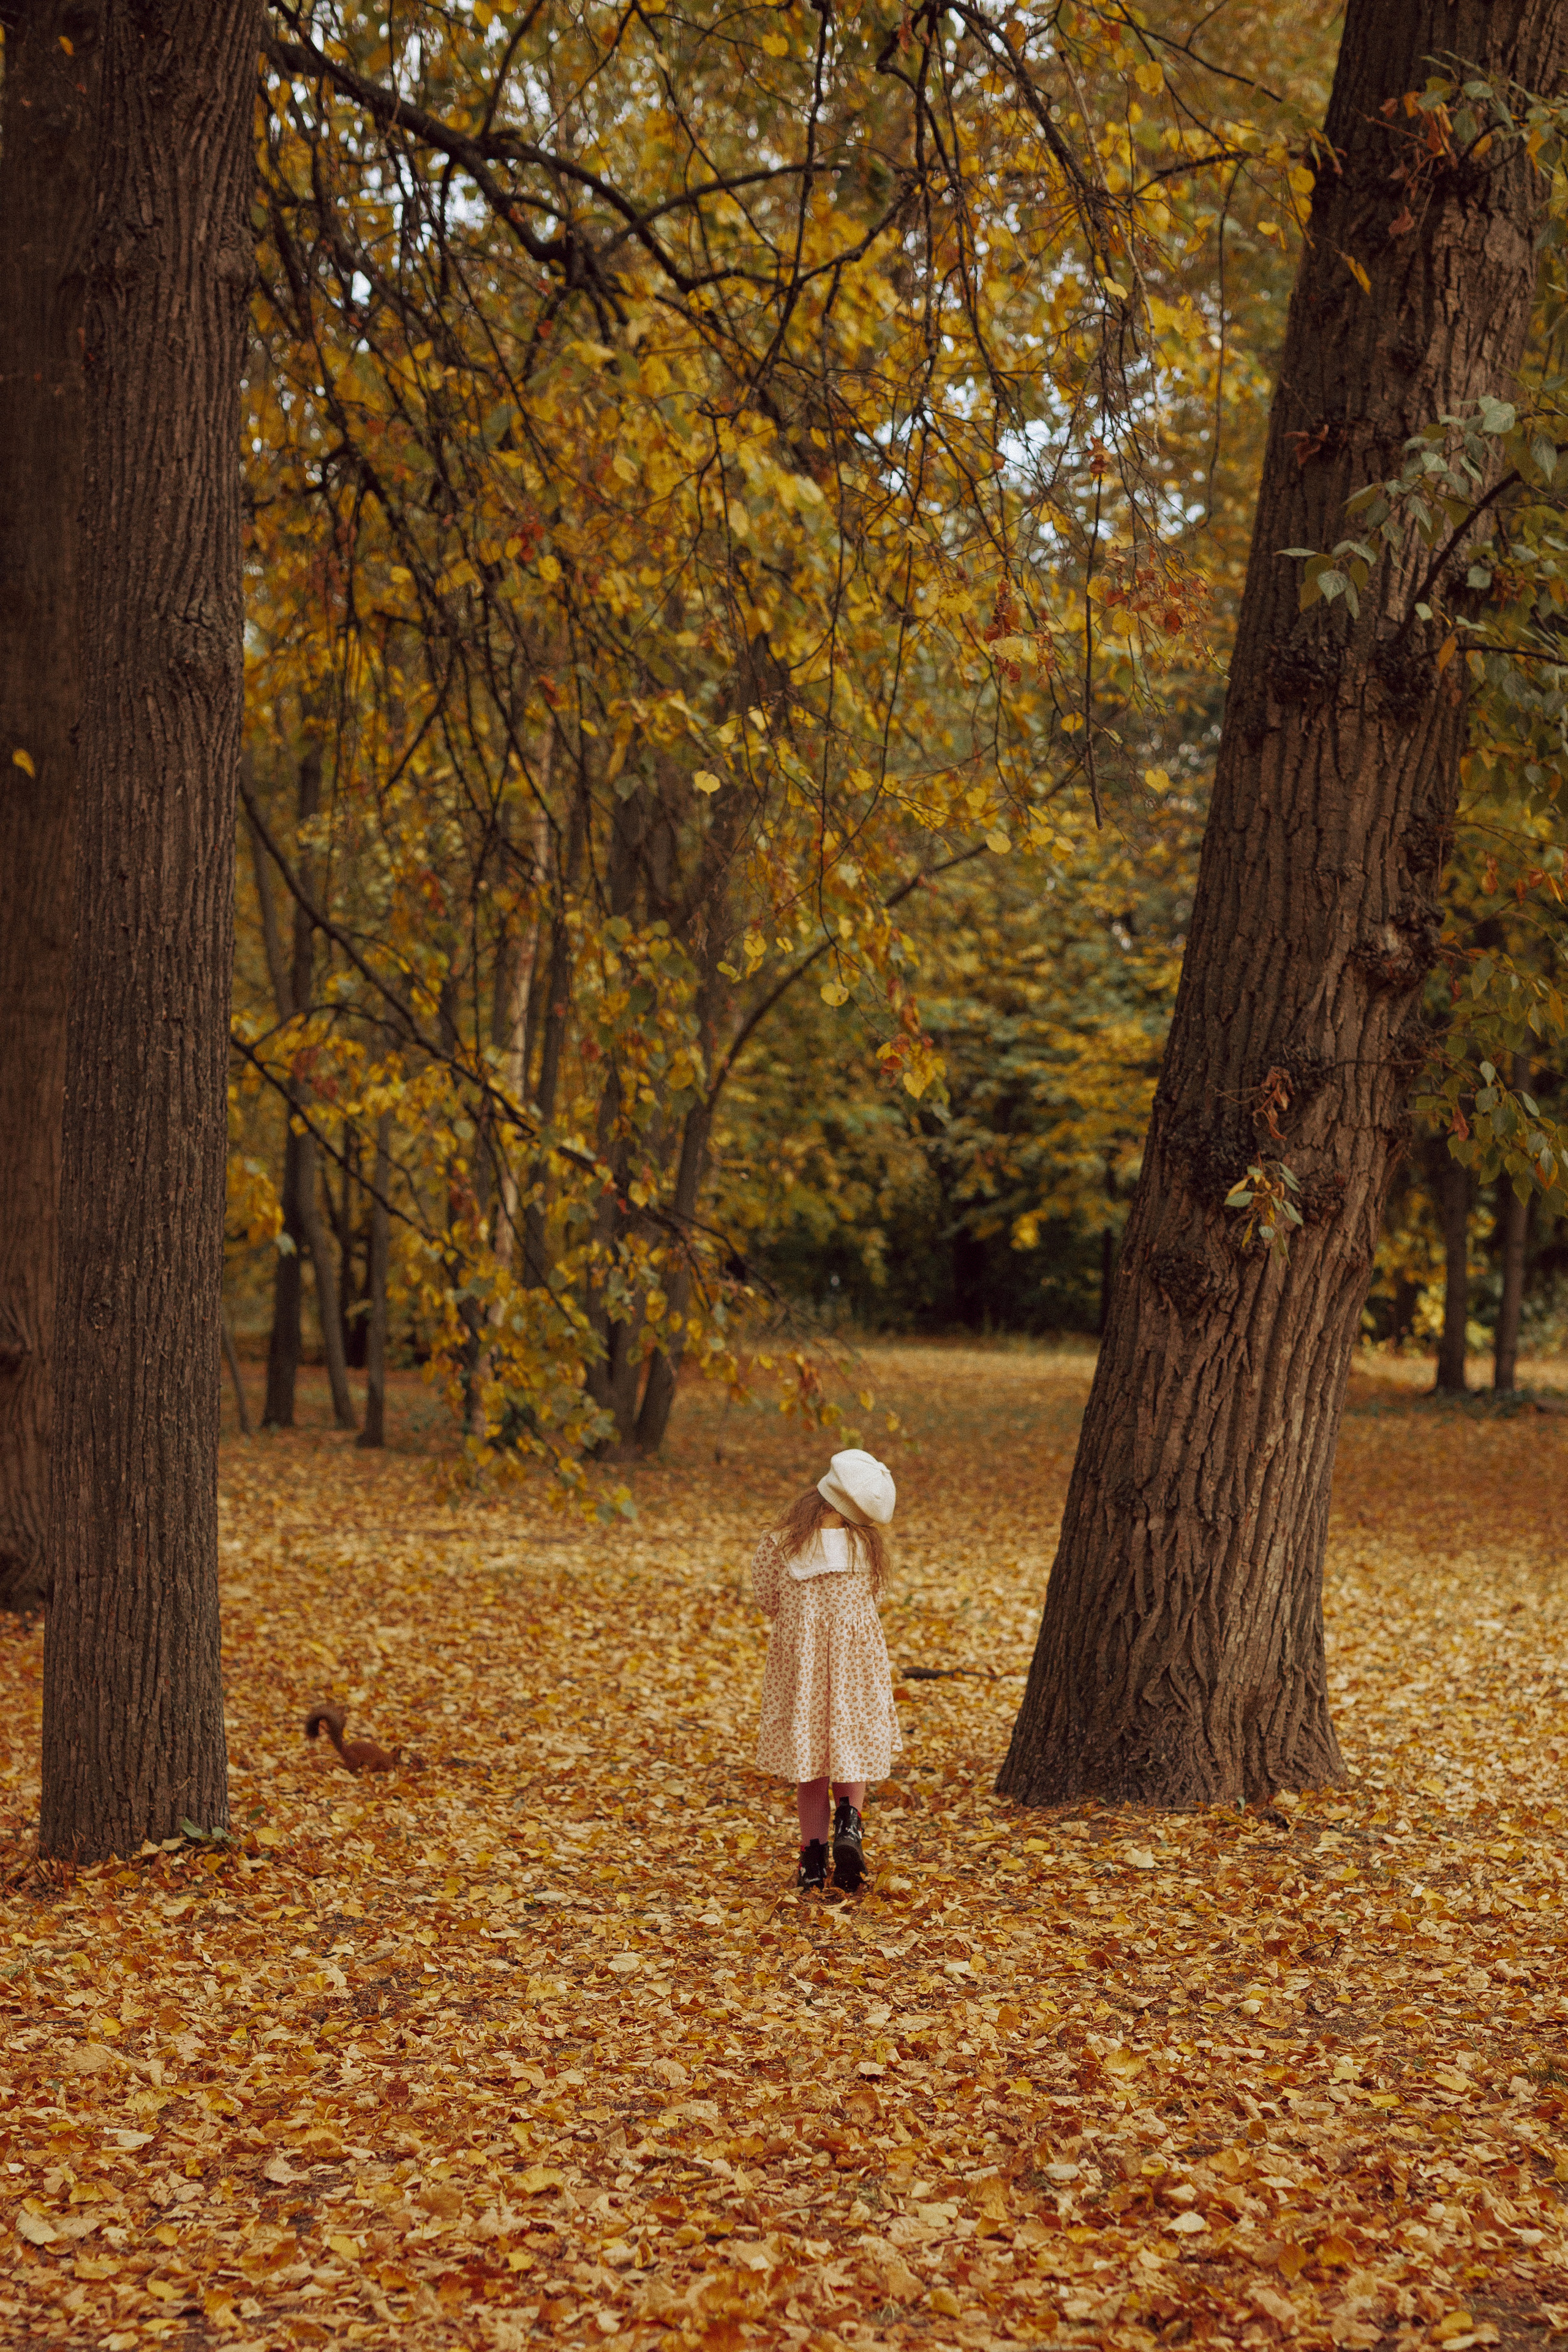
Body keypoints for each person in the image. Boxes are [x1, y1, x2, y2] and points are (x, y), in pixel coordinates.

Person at [751, 1447, 902, 1893]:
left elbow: (767, 1599)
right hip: (857, 1669)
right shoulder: (866, 1549)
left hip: (803, 1673)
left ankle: (812, 1861)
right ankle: (850, 1827)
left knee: (811, 1766)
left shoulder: (781, 1544)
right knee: (850, 1750)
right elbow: (876, 1601)